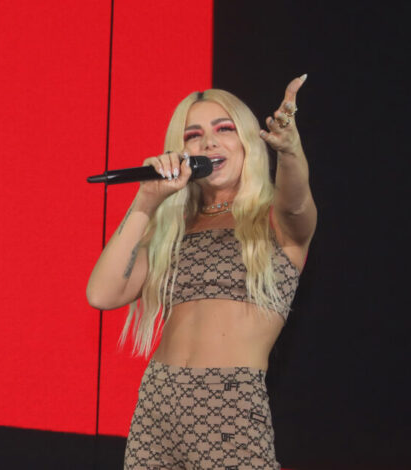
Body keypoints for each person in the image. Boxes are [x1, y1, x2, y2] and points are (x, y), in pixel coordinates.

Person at [87, 75, 315, 469]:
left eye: (224, 129)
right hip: (157, 405)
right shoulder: (173, 228)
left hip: (228, 404)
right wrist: (146, 200)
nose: (208, 143)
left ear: (247, 140)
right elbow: (101, 294)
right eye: (194, 135)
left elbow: (296, 204)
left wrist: (290, 150)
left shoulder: (274, 219)